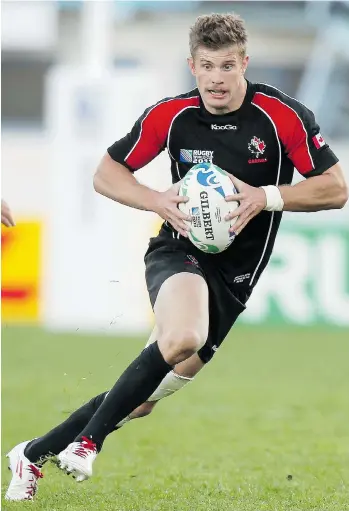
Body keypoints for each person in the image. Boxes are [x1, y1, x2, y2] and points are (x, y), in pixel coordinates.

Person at [5, 12, 348, 501]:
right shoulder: (172, 115)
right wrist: (158, 201)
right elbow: (106, 174)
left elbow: (335, 189)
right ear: (192, 65)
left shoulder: (282, 116)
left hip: (236, 278)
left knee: (141, 402)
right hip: (178, 250)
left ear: (244, 63)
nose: (216, 78)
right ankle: (87, 442)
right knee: (185, 335)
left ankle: (30, 455)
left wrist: (265, 197)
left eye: (227, 66)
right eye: (207, 66)